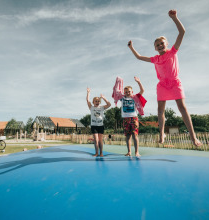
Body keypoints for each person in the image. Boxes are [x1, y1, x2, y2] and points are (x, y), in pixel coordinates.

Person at [127, 9, 202, 147]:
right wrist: (131, 47)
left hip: (175, 83)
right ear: (155, 49)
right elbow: (139, 57)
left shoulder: (173, 52)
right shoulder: (155, 59)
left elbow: (182, 32)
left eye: (162, 43)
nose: (160, 46)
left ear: (166, 44)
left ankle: (193, 137)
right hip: (162, 85)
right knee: (160, 110)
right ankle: (161, 134)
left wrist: (174, 18)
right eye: (157, 45)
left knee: (182, 108)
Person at [115, 77, 145, 158]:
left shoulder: (135, 98)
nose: (127, 93)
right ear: (124, 92)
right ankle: (129, 152)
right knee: (127, 136)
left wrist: (139, 82)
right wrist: (118, 82)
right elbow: (116, 91)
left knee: (135, 135)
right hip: (125, 119)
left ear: (132, 92)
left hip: (133, 118)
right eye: (126, 92)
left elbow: (142, 91)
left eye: (129, 91)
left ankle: (137, 152)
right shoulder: (122, 98)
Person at [86, 88, 111, 157]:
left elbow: (109, 104)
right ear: (93, 102)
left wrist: (103, 98)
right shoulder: (91, 108)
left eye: (98, 101)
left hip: (100, 125)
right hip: (94, 125)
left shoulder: (102, 107)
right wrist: (88, 92)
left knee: (100, 140)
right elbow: (87, 100)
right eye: (95, 101)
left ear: (99, 102)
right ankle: (96, 152)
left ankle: (101, 153)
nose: (97, 102)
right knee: (96, 140)